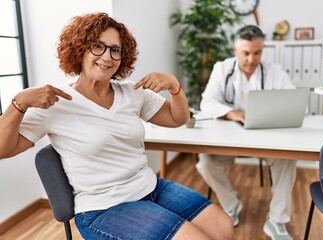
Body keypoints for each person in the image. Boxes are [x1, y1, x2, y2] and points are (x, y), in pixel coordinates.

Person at [0, 12, 234, 240]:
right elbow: (3, 149)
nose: (107, 56)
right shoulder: (55, 102)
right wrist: (18, 103)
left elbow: (177, 118)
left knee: (223, 227)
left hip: (151, 188)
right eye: (97, 46)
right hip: (104, 208)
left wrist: (174, 86)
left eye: (115, 50)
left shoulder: (132, 92)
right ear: (79, 49)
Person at [196, 25, 297, 240]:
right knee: (205, 162)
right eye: (246, 53)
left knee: (287, 160)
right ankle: (231, 204)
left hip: (267, 140)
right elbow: (207, 103)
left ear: (263, 49)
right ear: (235, 50)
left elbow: (295, 103)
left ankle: (277, 221)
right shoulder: (222, 69)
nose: (251, 59)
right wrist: (234, 113)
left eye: (257, 53)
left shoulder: (275, 71)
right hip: (230, 140)